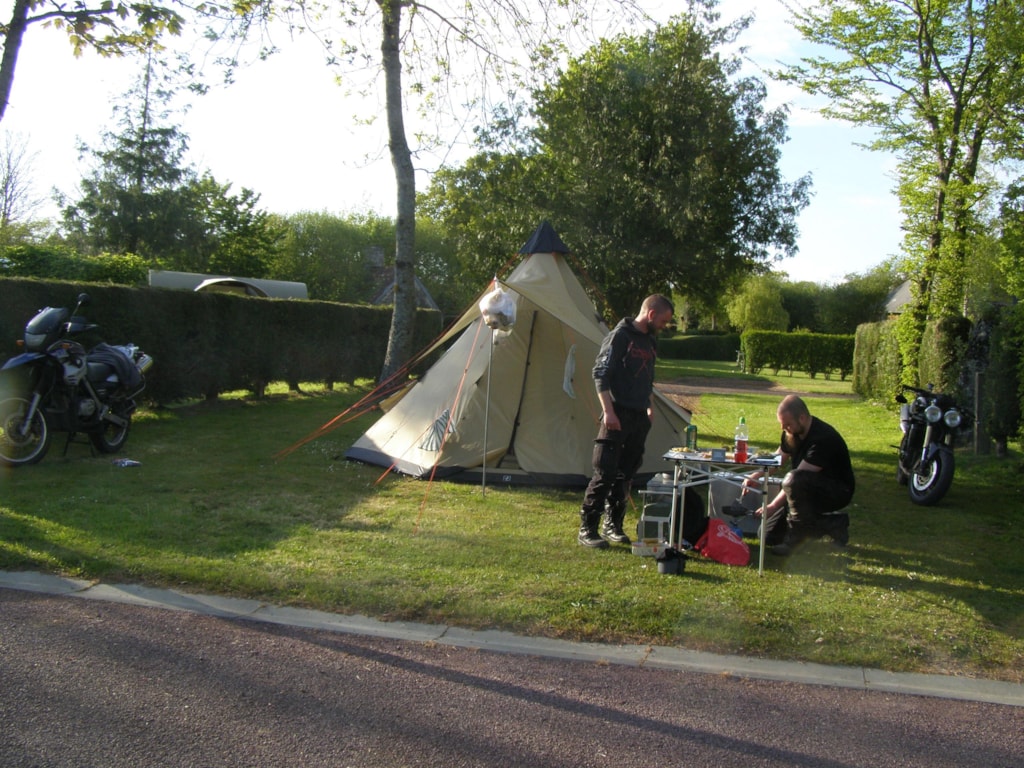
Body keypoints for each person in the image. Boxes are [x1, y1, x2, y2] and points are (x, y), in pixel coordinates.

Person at [577, 294, 675, 548]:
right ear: (651, 314)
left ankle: (613, 525)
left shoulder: (650, 340)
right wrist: (608, 412)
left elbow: (647, 377)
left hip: (639, 416)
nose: (664, 326)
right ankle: (588, 529)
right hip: (616, 413)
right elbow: (600, 374)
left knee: (626, 473)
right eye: (663, 320)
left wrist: (649, 406)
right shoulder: (619, 336)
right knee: (605, 472)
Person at [742, 394, 855, 556]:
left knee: (794, 479)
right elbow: (778, 460)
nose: (784, 428)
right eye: (782, 424)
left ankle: (795, 538)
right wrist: (757, 475)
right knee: (767, 536)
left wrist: (773, 506)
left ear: (802, 418)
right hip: (804, 488)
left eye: (787, 424)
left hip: (837, 491)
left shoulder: (823, 439)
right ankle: (834, 524)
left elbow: (796, 480)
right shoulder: (791, 433)